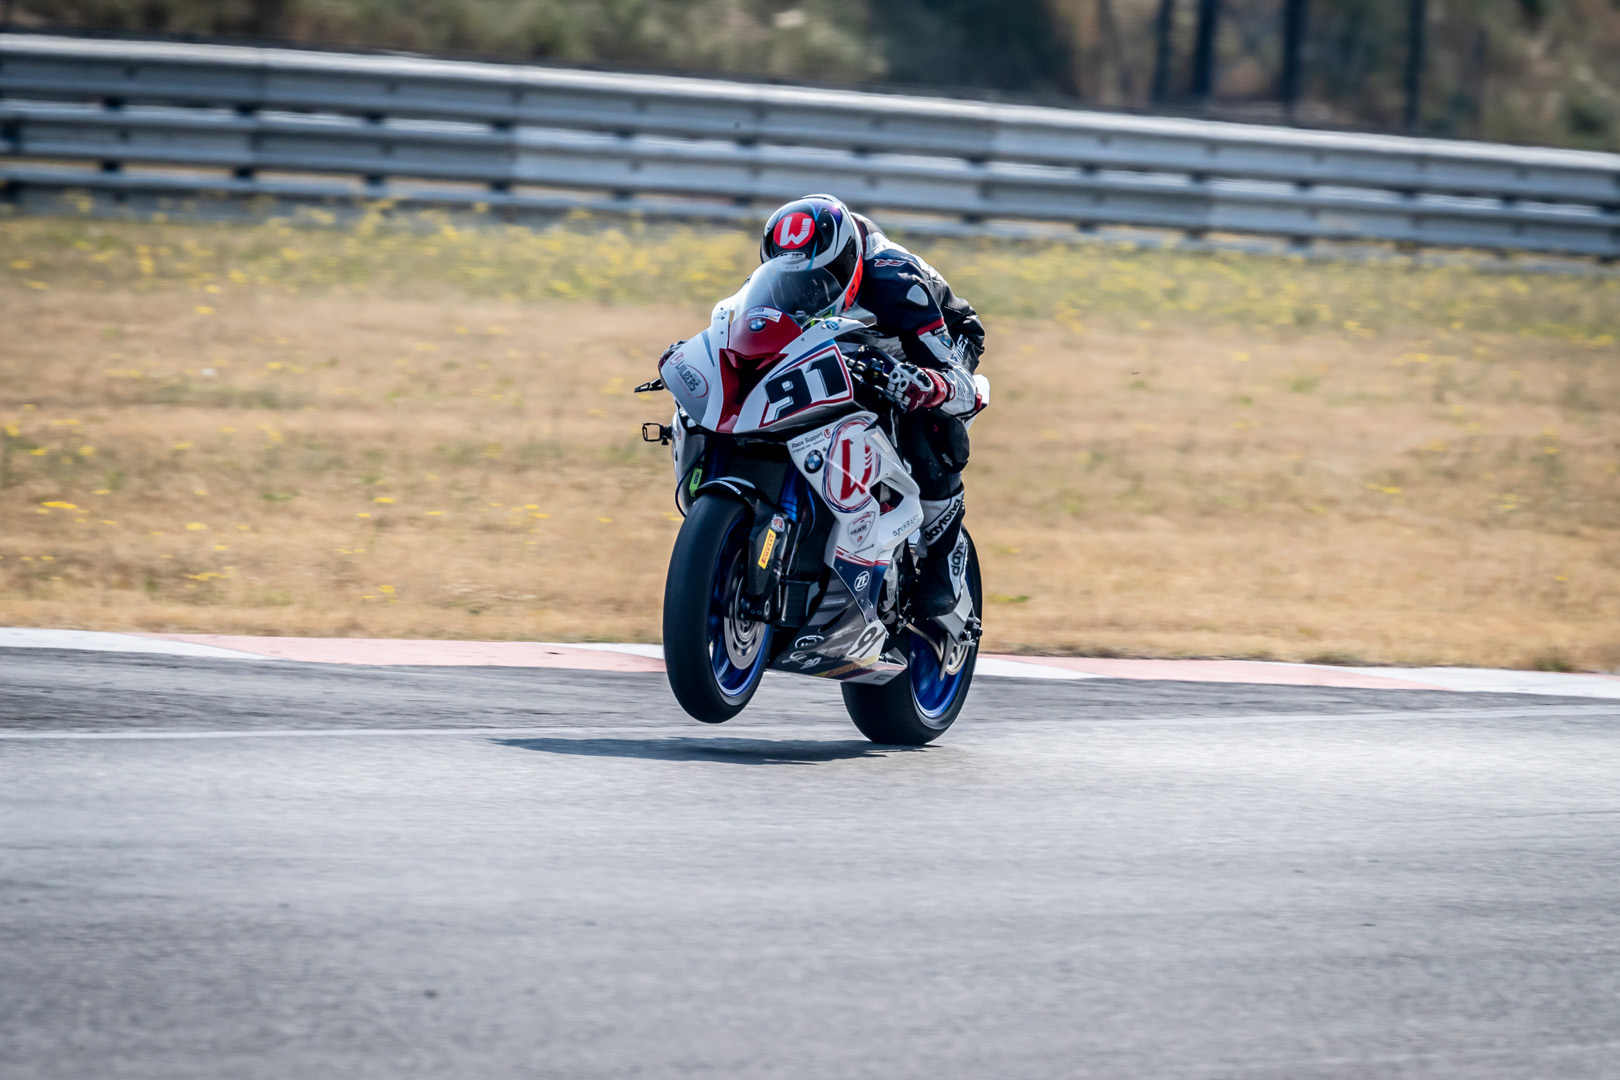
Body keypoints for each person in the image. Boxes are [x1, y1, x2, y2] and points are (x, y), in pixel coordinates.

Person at [758, 194, 986, 617]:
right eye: (794, 279)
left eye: (824, 277)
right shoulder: (778, 279)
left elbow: (960, 382)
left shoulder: (896, 282)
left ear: (849, 262)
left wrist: (929, 385)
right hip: (847, 336)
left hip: (928, 336)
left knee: (921, 414)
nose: (809, 289)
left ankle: (944, 556)